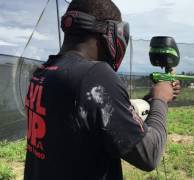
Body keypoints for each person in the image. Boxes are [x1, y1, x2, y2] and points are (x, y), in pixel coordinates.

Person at [23, 0, 181, 179]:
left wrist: (150, 99)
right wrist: (161, 99)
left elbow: (90, 119)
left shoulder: (43, 73)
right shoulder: (96, 75)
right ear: (111, 32)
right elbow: (149, 155)